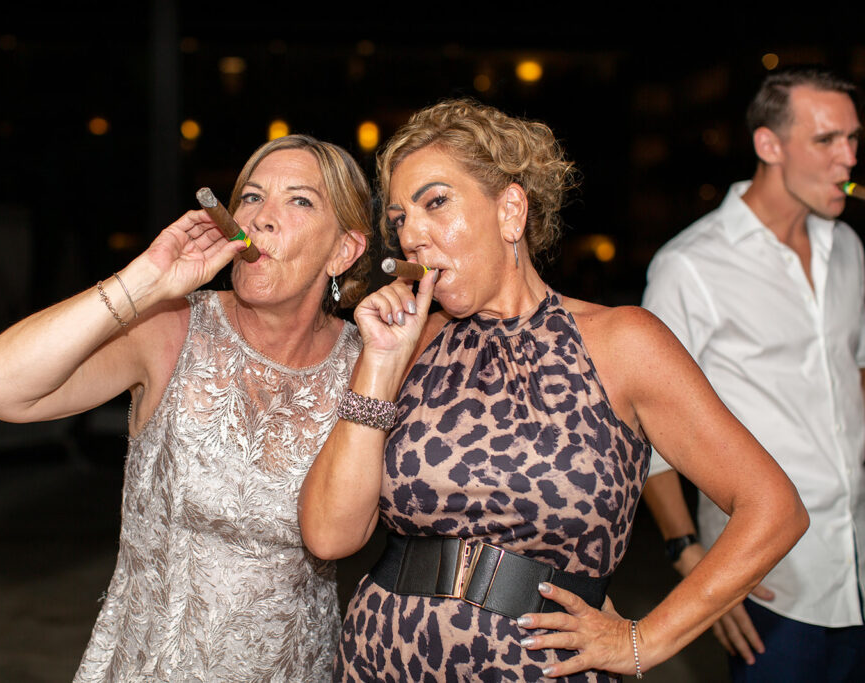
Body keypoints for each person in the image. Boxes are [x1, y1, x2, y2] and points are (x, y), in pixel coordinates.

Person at [298, 99, 808, 682]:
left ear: (510, 211)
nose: (411, 235)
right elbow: (329, 534)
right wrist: (380, 365)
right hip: (382, 657)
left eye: (435, 202)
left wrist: (646, 640)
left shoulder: (622, 344)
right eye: (399, 219)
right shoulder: (408, 344)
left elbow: (774, 508)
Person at [0, 134, 372, 682]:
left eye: (299, 200)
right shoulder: (170, 327)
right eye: (251, 197)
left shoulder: (372, 364)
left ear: (344, 250)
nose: (264, 216)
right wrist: (143, 282)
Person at [640, 66, 865, 681]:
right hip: (771, 582)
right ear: (769, 144)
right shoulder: (690, 266)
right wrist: (688, 555)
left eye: (852, 138)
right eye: (827, 140)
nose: (848, 158)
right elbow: (645, 425)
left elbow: (853, 376)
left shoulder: (848, 247)